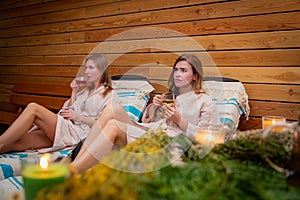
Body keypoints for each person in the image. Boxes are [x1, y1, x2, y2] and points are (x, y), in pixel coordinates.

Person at [70, 54, 222, 173]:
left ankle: (71, 171)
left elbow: (207, 139)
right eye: (175, 70)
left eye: (183, 70)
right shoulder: (172, 97)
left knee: (113, 126)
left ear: (195, 75)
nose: (177, 74)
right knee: (112, 108)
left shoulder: (204, 101)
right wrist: (154, 108)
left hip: (168, 142)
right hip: (154, 131)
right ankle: (74, 163)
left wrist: (179, 120)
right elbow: (154, 122)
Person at [0, 53, 116, 153]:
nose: (86, 72)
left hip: (78, 135)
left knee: (33, 108)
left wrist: (79, 117)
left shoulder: (109, 95)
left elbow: (103, 126)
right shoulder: (84, 91)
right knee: (16, 143)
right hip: (65, 129)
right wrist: (74, 92)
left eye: (91, 68)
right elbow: (67, 111)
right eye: (86, 68)